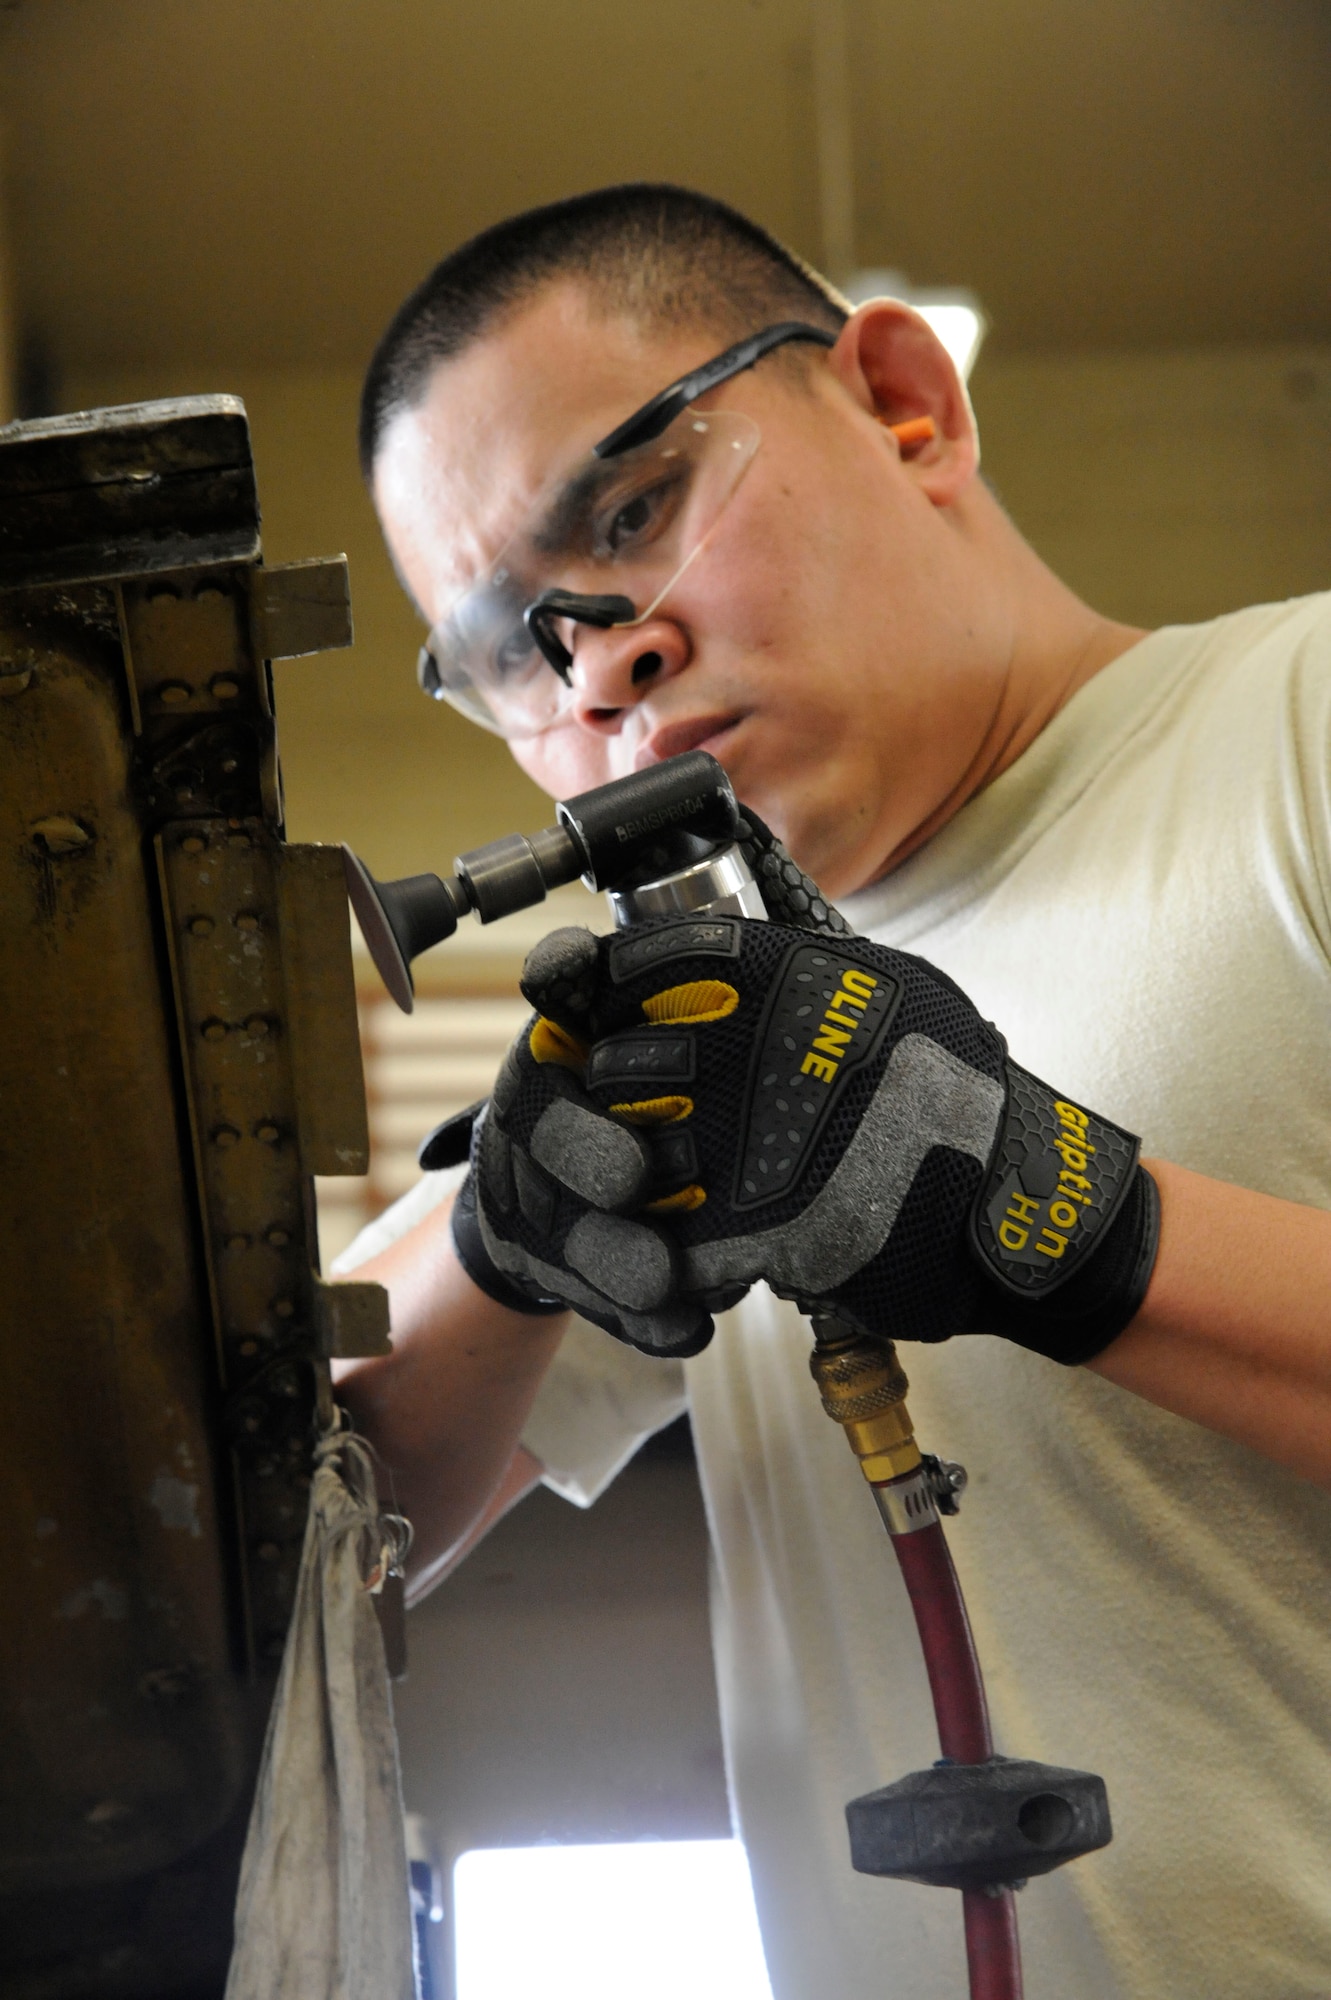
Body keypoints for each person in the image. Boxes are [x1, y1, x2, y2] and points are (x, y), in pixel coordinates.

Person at [336, 184, 1331, 1999]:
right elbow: (282, 1552)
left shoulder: (1302, 728)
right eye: (509, 653)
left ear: (903, 405)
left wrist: (1075, 1232)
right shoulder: (736, 1037)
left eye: (633, 510)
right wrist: (503, 1234)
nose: (601, 665)